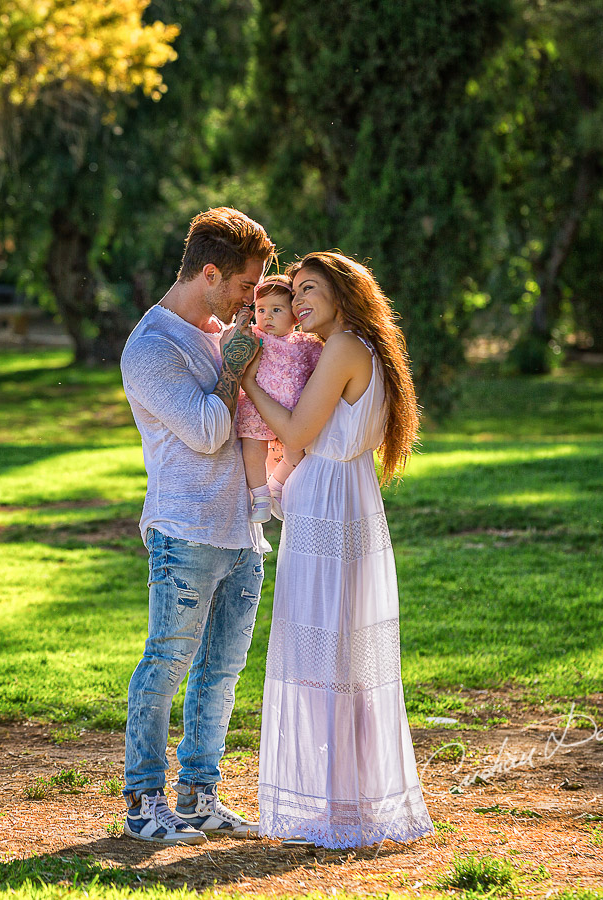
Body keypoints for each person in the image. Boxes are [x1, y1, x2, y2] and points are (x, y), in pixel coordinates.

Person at [241, 251, 434, 849]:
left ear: (344, 294)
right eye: (292, 291)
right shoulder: (347, 349)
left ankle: (339, 808)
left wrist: (246, 379)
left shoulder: (347, 347)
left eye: (309, 290)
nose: (297, 302)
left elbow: (297, 432)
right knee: (336, 655)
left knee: (329, 653)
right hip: (338, 499)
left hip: (331, 505)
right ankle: (341, 800)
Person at [117, 207, 273, 844]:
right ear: (210, 273)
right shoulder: (151, 348)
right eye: (244, 286)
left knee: (222, 671)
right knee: (167, 664)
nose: (251, 300)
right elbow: (211, 432)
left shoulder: (222, 329)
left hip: (242, 532)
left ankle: (199, 794)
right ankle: (143, 801)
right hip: (185, 531)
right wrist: (238, 356)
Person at [235, 276, 324, 523]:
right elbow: (233, 341)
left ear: (295, 316)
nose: (267, 317)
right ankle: (261, 496)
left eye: (277, 310)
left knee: (296, 455)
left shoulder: (306, 344)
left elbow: (324, 366)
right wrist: (242, 321)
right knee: (253, 452)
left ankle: (276, 484)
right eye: (261, 310)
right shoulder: (254, 336)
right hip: (256, 408)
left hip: (291, 415)